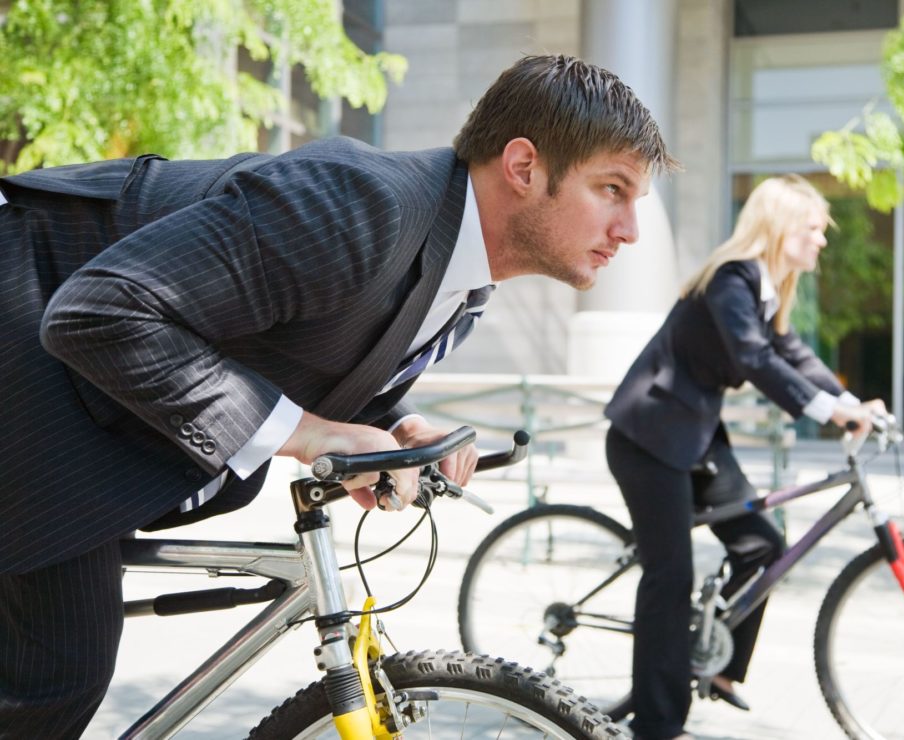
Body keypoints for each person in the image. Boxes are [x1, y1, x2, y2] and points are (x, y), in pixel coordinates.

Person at [0, 54, 677, 738]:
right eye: (611, 189)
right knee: (61, 670)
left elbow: (316, 339)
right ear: (525, 167)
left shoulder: (464, 282)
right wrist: (309, 434)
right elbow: (98, 311)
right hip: (23, 339)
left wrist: (400, 424)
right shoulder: (363, 204)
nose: (630, 231)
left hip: (80, 400)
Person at [604, 175, 885, 740]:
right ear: (781, 227)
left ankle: (718, 665)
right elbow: (754, 358)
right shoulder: (733, 278)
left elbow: (789, 352)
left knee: (763, 545)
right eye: (813, 229)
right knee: (670, 575)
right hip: (649, 435)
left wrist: (854, 405)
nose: (822, 240)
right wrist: (828, 414)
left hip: (697, 436)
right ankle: (656, 726)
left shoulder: (768, 288)